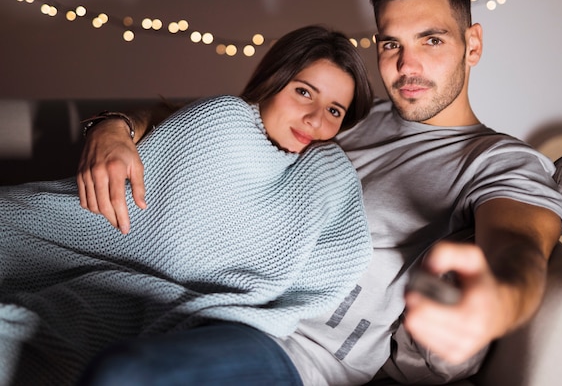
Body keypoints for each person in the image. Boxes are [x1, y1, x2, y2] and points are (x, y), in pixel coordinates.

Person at [74, 0, 562, 386]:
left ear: (472, 45)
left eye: (431, 41)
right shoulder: (341, 115)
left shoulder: (498, 161)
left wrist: (498, 301)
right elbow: (220, 122)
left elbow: (520, 249)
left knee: (125, 375)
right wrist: (114, 127)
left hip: (295, 346)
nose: (406, 65)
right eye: (391, 43)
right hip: (209, 293)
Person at [0, 25, 375, 386]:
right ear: (275, 81)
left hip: (154, 321)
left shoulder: (325, 172)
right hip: (45, 243)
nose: (315, 119)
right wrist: (111, 126)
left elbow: (336, 263)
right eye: (305, 93)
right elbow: (169, 239)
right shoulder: (223, 121)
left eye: (334, 111)